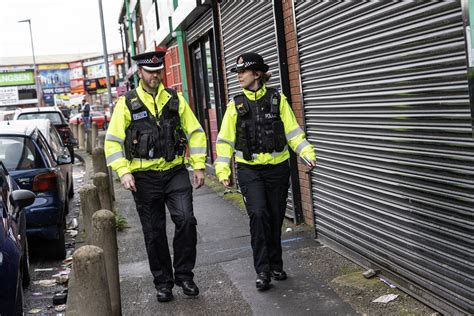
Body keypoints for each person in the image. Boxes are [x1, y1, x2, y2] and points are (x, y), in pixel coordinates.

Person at [104, 51, 206, 303]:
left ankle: (184, 275)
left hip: (174, 172)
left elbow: (195, 132)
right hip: (143, 176)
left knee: (186, 220)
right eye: (150, 72)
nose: (155, 76)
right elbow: (113, 142)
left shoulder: (174, 98)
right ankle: (163, 282)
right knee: (154, 232)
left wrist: (199, 165)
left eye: (158, 71)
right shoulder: (126, 103)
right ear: (140, 72)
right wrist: (124, 171)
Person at [215, 52, 316, 291]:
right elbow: (224, 142)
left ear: (257, 73)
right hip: (250, 171)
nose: (239, 76)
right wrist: (223, 171)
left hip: (278, 170)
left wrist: (307, 154)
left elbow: (293, 133)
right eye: (237, 72)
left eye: (243, 72)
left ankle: (275, 264)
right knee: (258, 215)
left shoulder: (277, 100)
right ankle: (262, 270)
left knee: (274, 217)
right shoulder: (235, 105)